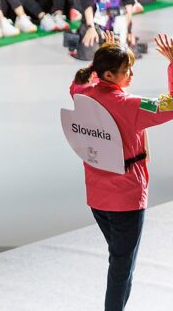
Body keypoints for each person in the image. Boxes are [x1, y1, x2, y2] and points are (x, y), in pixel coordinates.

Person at [69, 35, 173, 311]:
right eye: (127, 70)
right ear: (108, 74)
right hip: (126, 200)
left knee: (119, 258)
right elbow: (171, 105)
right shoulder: (132, 105)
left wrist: (103, 55)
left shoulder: (83, 95)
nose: (131, 75)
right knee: (121, 267)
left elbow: (76, 84)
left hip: (97, 198)